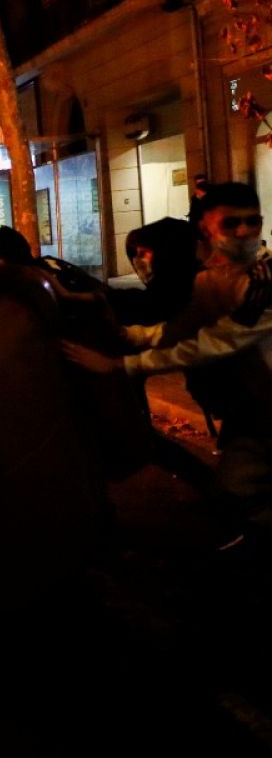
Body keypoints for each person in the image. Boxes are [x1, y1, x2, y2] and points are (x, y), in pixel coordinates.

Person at [65, 183, 272, 551]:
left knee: (240, 483)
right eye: (229, 225)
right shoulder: (202, 283)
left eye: (251, 222)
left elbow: (202, 345)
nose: (243, 233)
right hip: (244, 401)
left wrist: (117, 364)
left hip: (258, 401)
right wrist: (124, 332)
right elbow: (171, 327)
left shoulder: (249, 284)